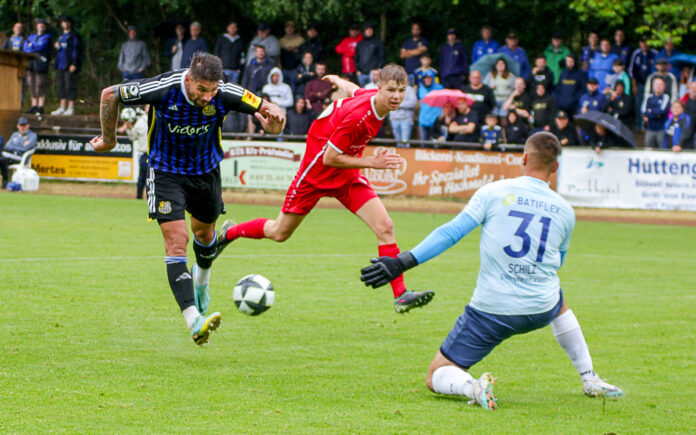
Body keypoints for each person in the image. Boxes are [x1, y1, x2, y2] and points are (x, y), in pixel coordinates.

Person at [360, 132, 624, 410]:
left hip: (492, 310)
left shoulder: (494, 192)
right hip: (540, 307)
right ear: (556, 167)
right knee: (558, 301)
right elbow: (558, 261)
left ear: (523, 158)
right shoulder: (565, 210)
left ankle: (472, 387)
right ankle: (589, 378)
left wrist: (401, 262)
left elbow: (451, 233)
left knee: (435, 374)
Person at [89, 53, 286, 345]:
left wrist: (276, 125)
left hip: (205, 173)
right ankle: (194, 320)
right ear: (189, 79)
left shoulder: (226, 92)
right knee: (177, 240)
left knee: (204, 234)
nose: (208, 97)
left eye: (213, 90)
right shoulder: (163, 88)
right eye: (202, 89)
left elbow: (269, 108)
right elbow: (110, 94)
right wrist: (108, 139)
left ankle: (202, 279)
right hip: (165, 173)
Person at [215, 65, 435, 314]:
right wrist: (373, 162)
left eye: (401, 90)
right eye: (391, 90)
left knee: (385, 227)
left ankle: (401, 296)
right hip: (315, 174)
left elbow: (353, 89)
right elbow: (330, 158)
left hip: (346, 176)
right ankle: (229, 233)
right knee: (279, 232)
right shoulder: (359, 115)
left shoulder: (369, 98)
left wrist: (338, 79)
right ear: (380, 88)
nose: (396, 96)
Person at [51, 16, 81, 116]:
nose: (65, 24)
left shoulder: (74, 35)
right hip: (60, 64)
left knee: (70, 85)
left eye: (67, 22)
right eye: (63, 22)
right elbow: (57, 48)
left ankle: (71, 107)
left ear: (70, 23)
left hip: (70, 64)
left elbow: (77, 50)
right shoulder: (59, 35)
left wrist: (74, 63)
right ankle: (62, 106)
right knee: (60, 85)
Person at [116, 107, 148, 198]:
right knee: (142, 177)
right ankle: (139, 197)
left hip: (157, 155)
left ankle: (153, 197)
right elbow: (133, 137)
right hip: (145, 154)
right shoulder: (140, 121)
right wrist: (129, 127)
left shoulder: (158, 118)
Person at [22, 19, 52, 115]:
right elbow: (25, 48)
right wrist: (32, 46)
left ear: (45, 27)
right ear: (36, 26)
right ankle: (34, 105)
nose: (41, 26)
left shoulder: (47, 37)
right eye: (39, 24)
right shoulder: (31, 36)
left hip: (41, 62)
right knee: (31, 83)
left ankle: (40, 106)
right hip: (31, 62)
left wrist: (32, 45)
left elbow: (41, 47)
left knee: (40, 83)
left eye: (43, 25)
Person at [0, 116, 38, 188]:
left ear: (28, 125)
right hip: (9, 155)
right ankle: (5, 182)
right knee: (2, 160)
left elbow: (25, 149)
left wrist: (14, 148)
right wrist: (19, 147)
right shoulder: (15, 135)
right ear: (18, 126)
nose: (22, 127)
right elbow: (7, 146)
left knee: (2, 153)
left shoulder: (32, 136)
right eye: (21, 125)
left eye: (24, 125)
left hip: (21, 157)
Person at [629, 40, 657, 128]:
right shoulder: (636, 54)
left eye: (646, 42)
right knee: (638, 104)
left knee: (652, 103)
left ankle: (650, 125)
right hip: (639, 84)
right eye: (642, 42)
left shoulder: (654, 53)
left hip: (652, 84)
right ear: (639, 43)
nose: (644, 44)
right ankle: (639, 125)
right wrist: (634, 86)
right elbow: (632, 71)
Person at [642, 77, 670, 148]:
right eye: (656, 84)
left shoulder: (666, 97)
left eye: (660, 85)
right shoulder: (648, 97)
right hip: (650, 128)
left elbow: (662, 111)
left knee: (661, 149)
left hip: (662, 129)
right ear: (653, 86)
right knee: (648, 148)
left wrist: (650, 112)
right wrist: (655, 114)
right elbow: (643, 111)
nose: (658, 86)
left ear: (664, 87)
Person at [417, 70, 444, 140]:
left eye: (429, 78)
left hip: (435, 121)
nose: (427, 80)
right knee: (423, 145)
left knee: (436, 145)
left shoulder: (439, 88)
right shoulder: (421, 89)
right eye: (425, 78)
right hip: (423, 121)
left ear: (433, 78)